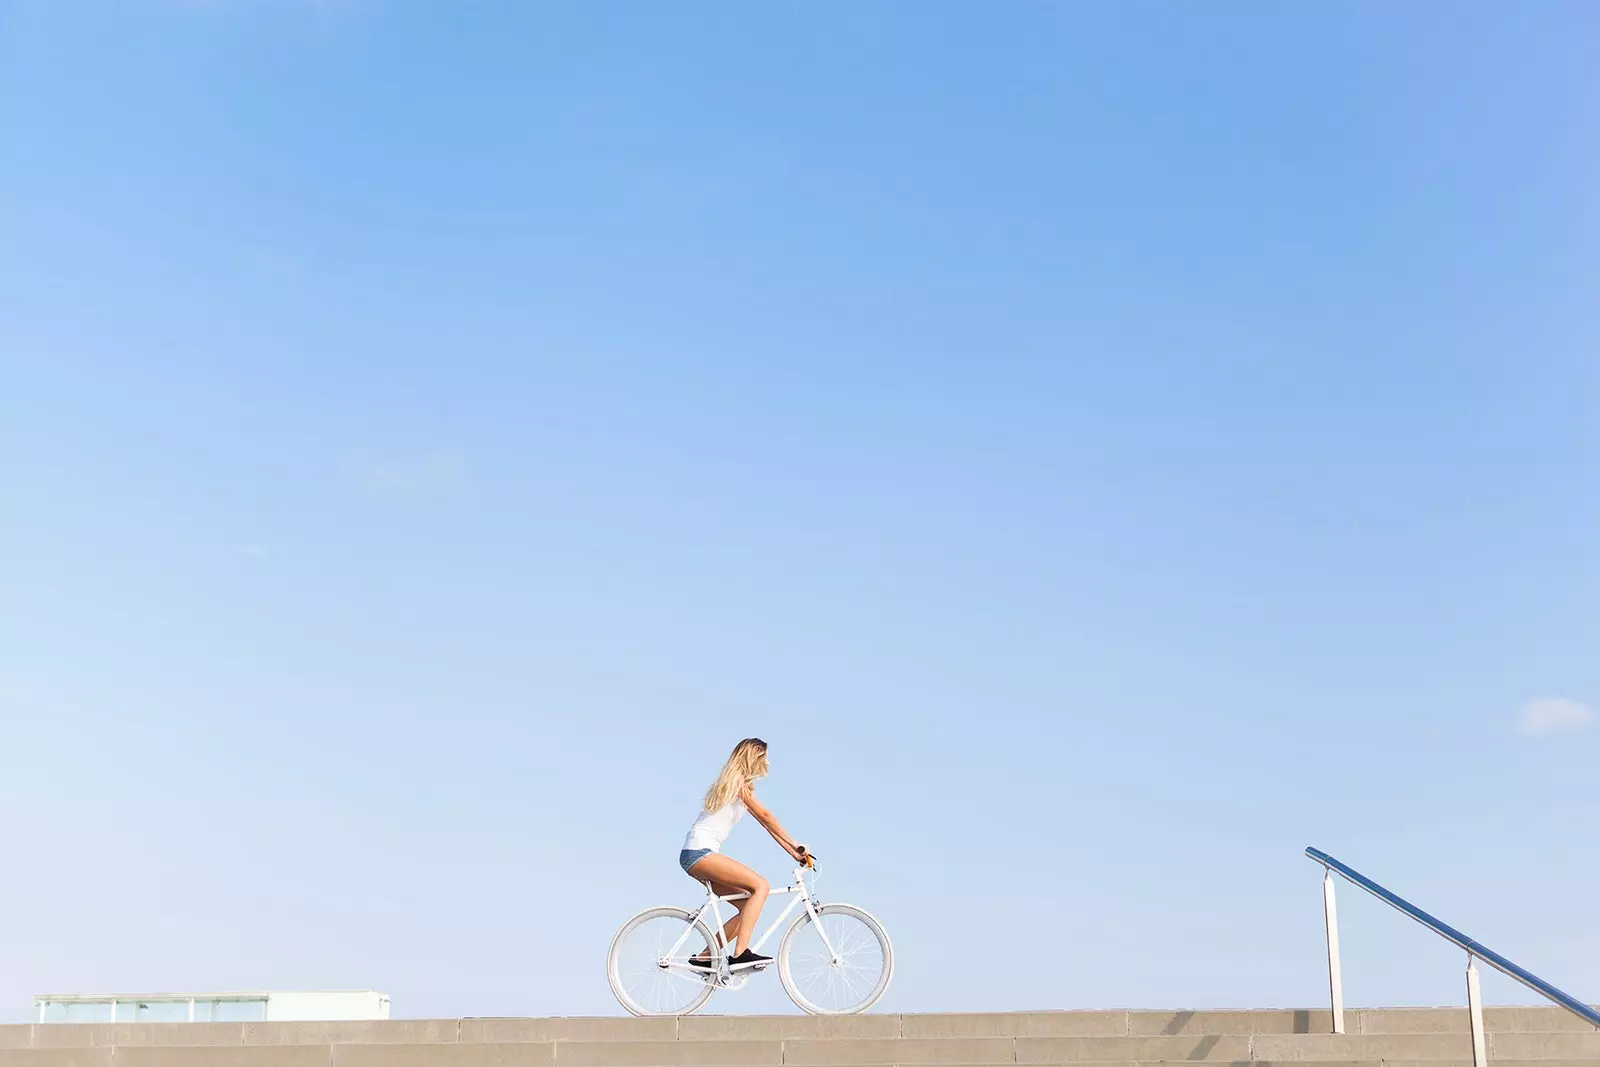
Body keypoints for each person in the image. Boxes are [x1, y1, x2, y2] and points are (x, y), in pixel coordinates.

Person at [679, 737, 811, 970]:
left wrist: (794, 851)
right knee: (761, 886)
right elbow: (767, 816)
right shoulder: (737, 781)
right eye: (765, 757)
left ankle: (706, 956)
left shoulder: (737, 785)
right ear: (754, 757)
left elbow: (765, 825)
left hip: (696, 854)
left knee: (748, 905)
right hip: (700, 852)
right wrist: (796, 843)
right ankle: (740, 954)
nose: (768, 763)